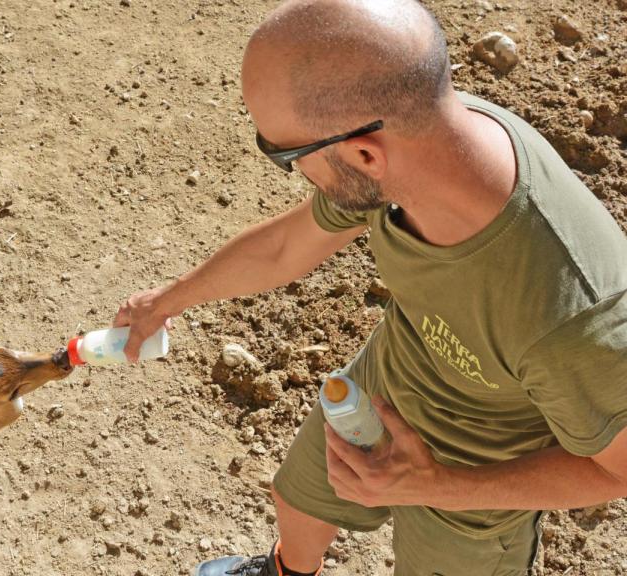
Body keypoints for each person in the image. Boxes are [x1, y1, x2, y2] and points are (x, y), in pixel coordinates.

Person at [112, 0, 627, 574]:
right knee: (298, 498)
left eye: (284, 154)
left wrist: (435, 483)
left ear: (363, 153)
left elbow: (617, 471)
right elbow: (287, 245)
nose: (291, 171)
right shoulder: (419, 148)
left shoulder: (576, 316)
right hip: (383, 384)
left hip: (478, 476)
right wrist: (167, 301)